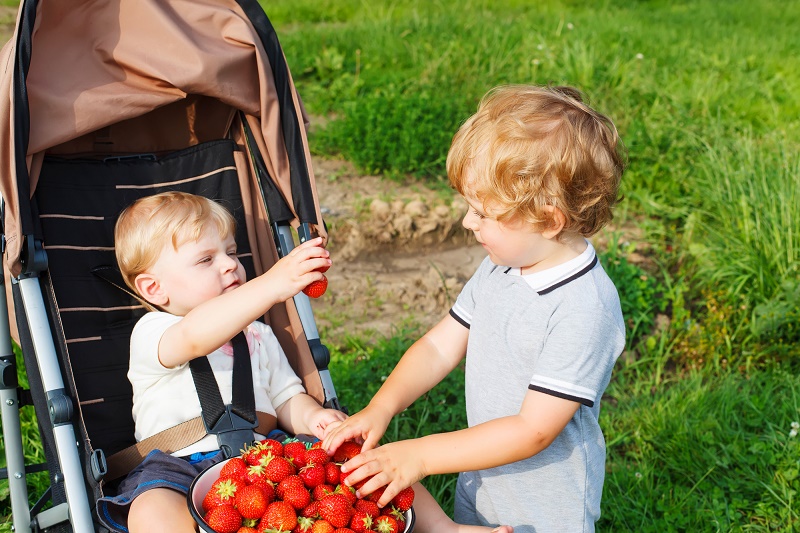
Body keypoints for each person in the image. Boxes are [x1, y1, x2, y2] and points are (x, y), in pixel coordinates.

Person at [323, 84, 626, 532]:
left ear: (549, 218)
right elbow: (438, 348)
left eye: (483, 213)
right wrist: (381, 407)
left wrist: (420, 455)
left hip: (546, 507)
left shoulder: (584, 309)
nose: (468, 222)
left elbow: (533, 430)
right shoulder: (501, 267)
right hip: (482, 477)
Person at [97, 191, 347, 533]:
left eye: (231, 252)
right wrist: (272, 284)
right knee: (152, 512)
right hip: (176, 468)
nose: (231, 264)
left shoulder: (258, 333)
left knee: (353, 462)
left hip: (261, 460)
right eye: (206, 260)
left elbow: (287, 397)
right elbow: (195, 336)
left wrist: (313, 416)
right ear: (154, 289)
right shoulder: (154, 332)